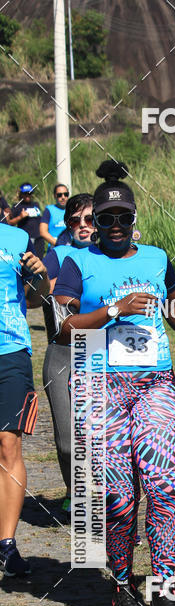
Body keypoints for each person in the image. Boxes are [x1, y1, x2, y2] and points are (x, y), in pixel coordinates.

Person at [53, 160, 175, 606]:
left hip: (156, 382)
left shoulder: (156, 258)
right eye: (105, 220)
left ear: (134, 220)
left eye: (123, 219)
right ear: (94, 223)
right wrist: (115, 309)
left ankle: (164, 589)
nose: (115, 228)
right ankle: (122, 583)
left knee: (164, 484)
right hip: (100, 385)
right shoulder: (78, 262)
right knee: (119, 497)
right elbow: (64, 328)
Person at [0, 218, 50, 575]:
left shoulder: (18, 238)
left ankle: (6, 544)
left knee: (8, 444)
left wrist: (40, 274)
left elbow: (36, 298)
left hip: (11, 352)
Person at [41, 193, 94, 513]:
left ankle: (115, 507)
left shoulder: (109, 255)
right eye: (76, 221)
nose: (84, 226)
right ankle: (75, 490)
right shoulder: (58, 253)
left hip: (102, 352)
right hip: (63, 351)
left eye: (90, 219)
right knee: (66, 440)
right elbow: (42, 290)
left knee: (106, 438)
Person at [7, 183, 44, 259]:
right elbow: (9, 223)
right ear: (21, 194)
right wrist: (20, 217)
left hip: (38, 239)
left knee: (39, 260)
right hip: (26, 239)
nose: (27, 195)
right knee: (27, 262)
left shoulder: (36, 204)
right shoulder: (17, 206)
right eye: (25, 193)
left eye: (29, 193)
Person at [39, 183, 69, 248]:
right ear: (55, 196)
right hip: (55, 248)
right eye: (59, 195)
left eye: (66, 194)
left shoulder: (72, 210)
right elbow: (43, 232)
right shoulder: (49, 210)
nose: (63, 197)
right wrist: (58, 244)